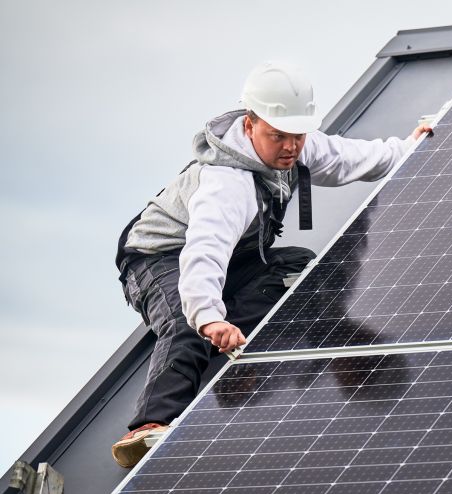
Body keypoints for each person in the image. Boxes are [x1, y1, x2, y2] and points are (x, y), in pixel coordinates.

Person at [112, 61, 431, 467]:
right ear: (250, 125)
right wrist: (208, 316)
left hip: (239, 255)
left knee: (301, 269)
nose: (289, 147)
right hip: (159, 256)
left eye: (297, 136)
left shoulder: (297, 147)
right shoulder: (227, 183)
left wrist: (409, 147)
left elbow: (349, 159)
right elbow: (205, 252)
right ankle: (148, 424)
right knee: (186, 324)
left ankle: (230, 342)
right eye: (277, 136)